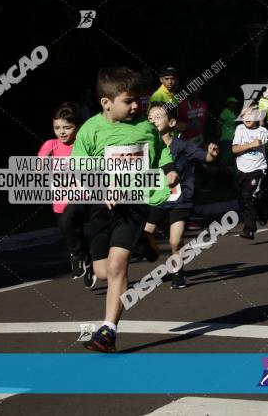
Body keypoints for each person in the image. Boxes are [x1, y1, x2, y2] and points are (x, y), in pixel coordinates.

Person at [74, 67, 179, 353]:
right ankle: (146, 242)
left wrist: (169, 170)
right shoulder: (90, 130)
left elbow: (162, 151)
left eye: (138, 101)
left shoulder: (145, 127)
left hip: (133, 206)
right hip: (99, 209)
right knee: (104, 271)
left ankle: (108, 331)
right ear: (106, 102)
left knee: (118, 265)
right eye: (128, 101)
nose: (136, 106)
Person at [143, 104, 219, 289]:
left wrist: (211, 154)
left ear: (172, 122)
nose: (153, 120)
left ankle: (178, 273)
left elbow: (205, 158)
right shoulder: (146, 145)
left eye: (158, 117)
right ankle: (152, 252)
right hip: (156, 199)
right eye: (150, 118)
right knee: (145, 235)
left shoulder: (183, 146)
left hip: (179, 200)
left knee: (175, 241)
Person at [38, 102, 94, 287]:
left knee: (67, 221)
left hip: (82, 196)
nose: (61, 132)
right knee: (71, 230)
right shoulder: (50, 145)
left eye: (67, 127)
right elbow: (39, 166)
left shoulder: (83, 144)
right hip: (60, 198)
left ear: (77, 127)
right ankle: (88, 261)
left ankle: (77, 255)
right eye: (57, 128)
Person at [232, 104, 268, 240]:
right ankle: (262, 213)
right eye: (244, 115)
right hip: (241, 169)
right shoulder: (240, 129)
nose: (246, 118)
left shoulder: (263, 131)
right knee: (244, 198)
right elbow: (234, 149)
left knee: (249, 196)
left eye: (250, 115)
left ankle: (249, 229)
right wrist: (251, 145)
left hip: (259, 169)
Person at [217, 96, 240, 166]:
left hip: (233, 139)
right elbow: (219, 123)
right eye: (233, 103)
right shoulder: (225, 111)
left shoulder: (234, 113)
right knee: (224, 160)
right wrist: (218, 134)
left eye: (235, 103)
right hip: (225, 139)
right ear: (229, 104)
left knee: (230, 159)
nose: (234, 104)